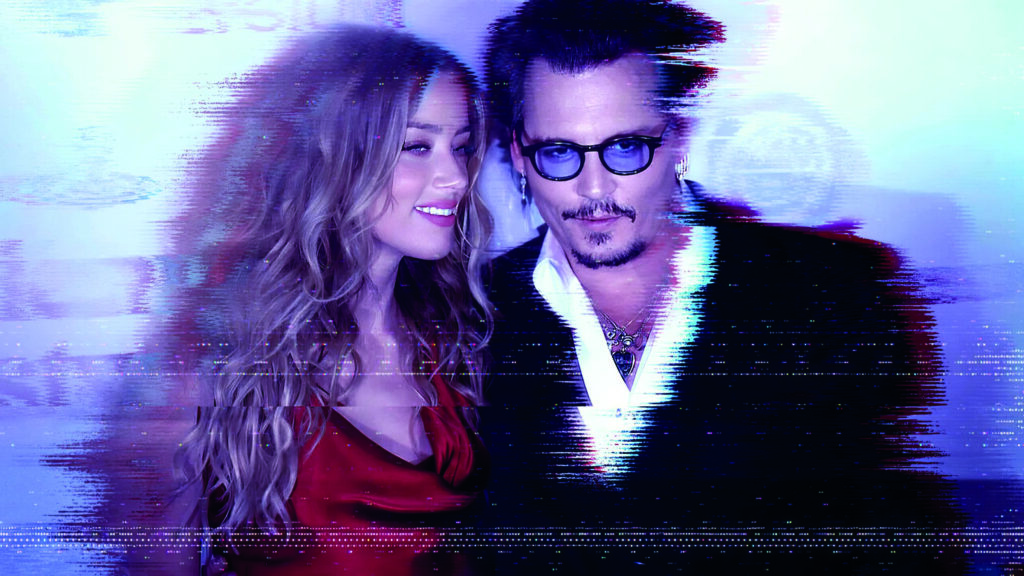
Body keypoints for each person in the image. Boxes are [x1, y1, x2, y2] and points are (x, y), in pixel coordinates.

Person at [479, 0, 964, 573]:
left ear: (678, 137)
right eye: (558, 152)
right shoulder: (470, 316)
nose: (593, 189)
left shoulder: (832, 292)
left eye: (627, 147)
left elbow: (904, 537)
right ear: (520, 154)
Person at [173, 25, 492, 576]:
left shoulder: (460, 338)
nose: (457, 178)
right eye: (417, 147)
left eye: (461, 148)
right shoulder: (223, 358)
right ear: (336, 157)